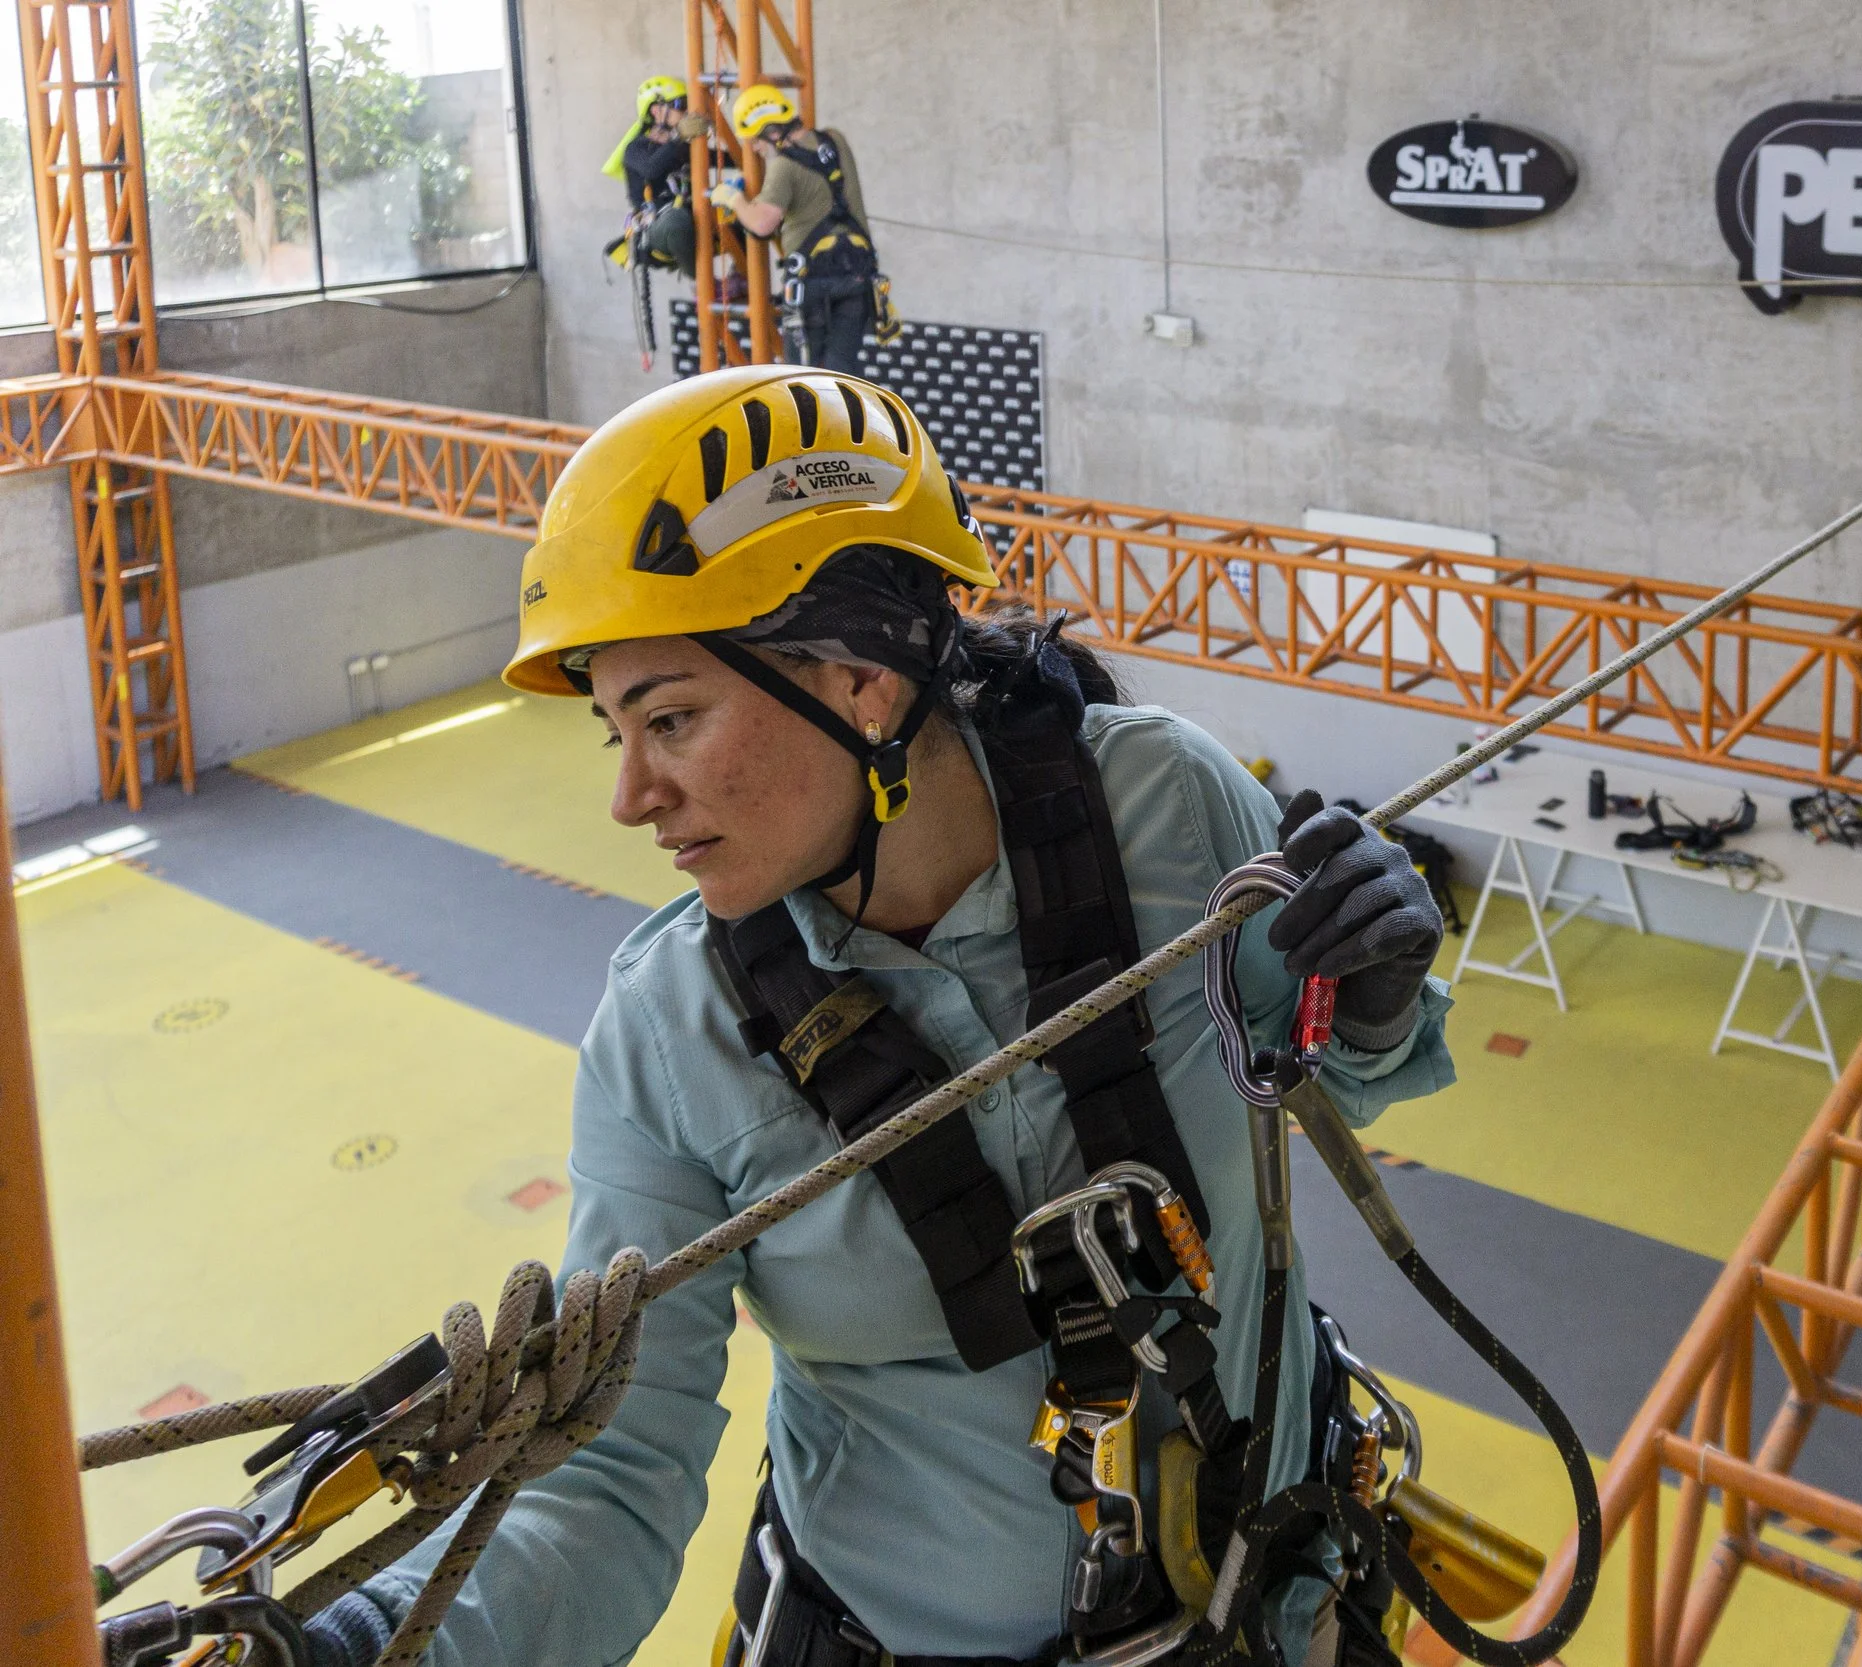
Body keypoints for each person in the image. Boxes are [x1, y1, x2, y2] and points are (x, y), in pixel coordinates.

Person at [296, 365, 1455, 1667]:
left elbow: (1316, 1082)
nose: (631, 797)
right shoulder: (672, 1037)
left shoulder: (1167, 813)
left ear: (860, 682)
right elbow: (609, 1487)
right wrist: (361, 1640)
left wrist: (1368, 997)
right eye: (616, 734)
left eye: (670, 717)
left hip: (1268, 1603)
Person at [712, 85, 881, 375]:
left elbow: (762, 223)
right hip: (858, 274)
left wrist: (735, 200)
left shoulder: (782, 167)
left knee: (801, 375)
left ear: (772, 132)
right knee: (843, 370)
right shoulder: (835, 141)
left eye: (754, 141)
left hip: (812, 282)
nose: (753, 148)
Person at [604, 75, 702, 274]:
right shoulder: (636, 148)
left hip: (691, 216)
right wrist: (678, 138)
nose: (686, 111)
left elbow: (727, 159)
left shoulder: (681, 147)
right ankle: (702, 283)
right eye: (680, 104)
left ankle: (740, 277)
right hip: (658, 226)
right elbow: (651, 168)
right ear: (656, 111)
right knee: (677, 221)